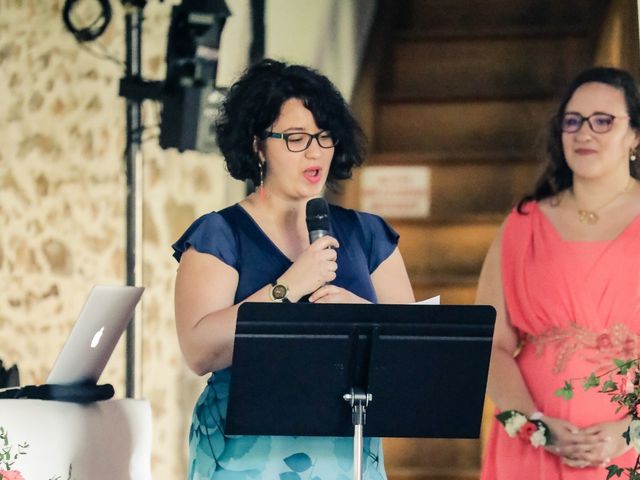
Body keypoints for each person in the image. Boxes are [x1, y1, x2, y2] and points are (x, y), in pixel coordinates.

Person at [172, 59, 415, 479]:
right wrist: (285, 288)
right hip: (246, 454)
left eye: (324, 137)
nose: (315, 151)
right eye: (297, 138)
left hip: (345, 451)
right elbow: (199, 351)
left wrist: (360, 315)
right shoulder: (221, 234)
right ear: (256, 144)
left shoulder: (368, 234)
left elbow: (417, 353)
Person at [478, 66, 640, 479]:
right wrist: (535, 424)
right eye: (573, 121)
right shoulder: (524, 222)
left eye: (603, 121)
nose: (585, 133)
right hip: (534, 448)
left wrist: (631, 431)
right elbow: (490, 344)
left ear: (635, 135)